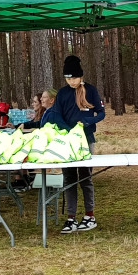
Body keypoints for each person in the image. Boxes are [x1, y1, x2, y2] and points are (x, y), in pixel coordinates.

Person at [45, 55, 105, 233]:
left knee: (85, 178)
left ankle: (89, 215)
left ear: (81, 76)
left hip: (86, 140)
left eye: (74, 78)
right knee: (69, 179)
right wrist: (67, 129)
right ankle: (71, 218)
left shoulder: (91, 90)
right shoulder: (62, 93)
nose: (71, 82)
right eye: (68, 78)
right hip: (66, 141)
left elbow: (101, 113)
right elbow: (56, 115)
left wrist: (88, 121)